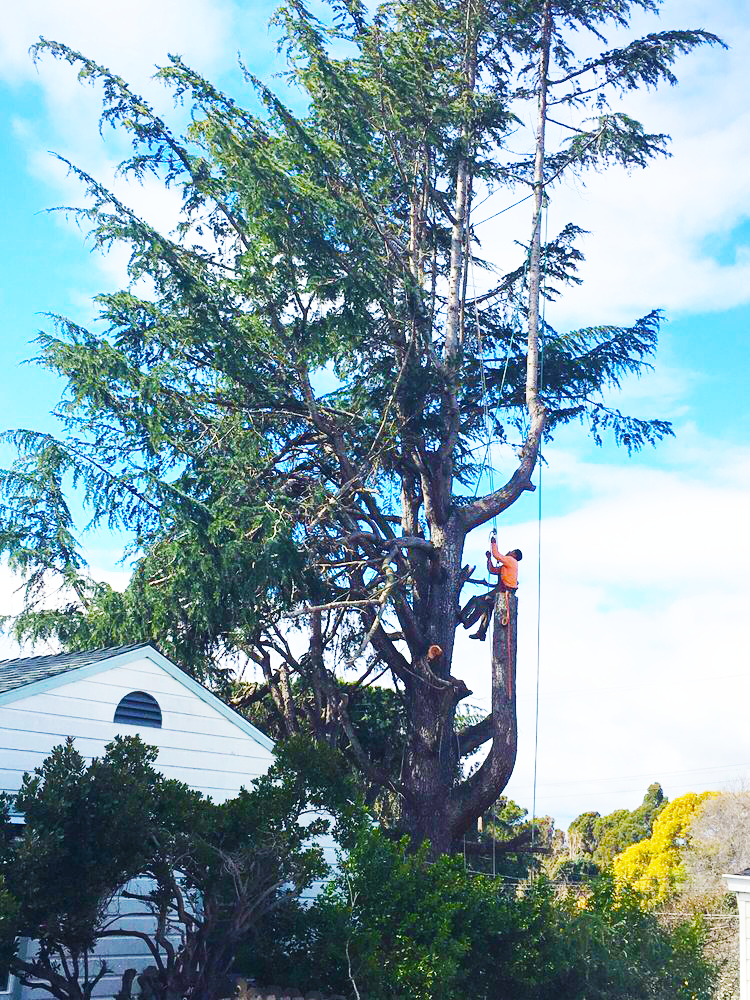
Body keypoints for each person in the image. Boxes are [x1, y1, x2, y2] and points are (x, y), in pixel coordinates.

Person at [459, 534, 523, 640]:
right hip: (503, 590)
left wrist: (493, 543)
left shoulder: (511, 561)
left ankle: (465, 619)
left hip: (504, 590)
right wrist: (489, 559)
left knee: (478, 600)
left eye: (512, 551)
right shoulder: (507, 565)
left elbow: (497, 555)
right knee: (487, 608)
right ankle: (481, 633)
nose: (509, 551)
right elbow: (492, 570)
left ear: (514, 554)